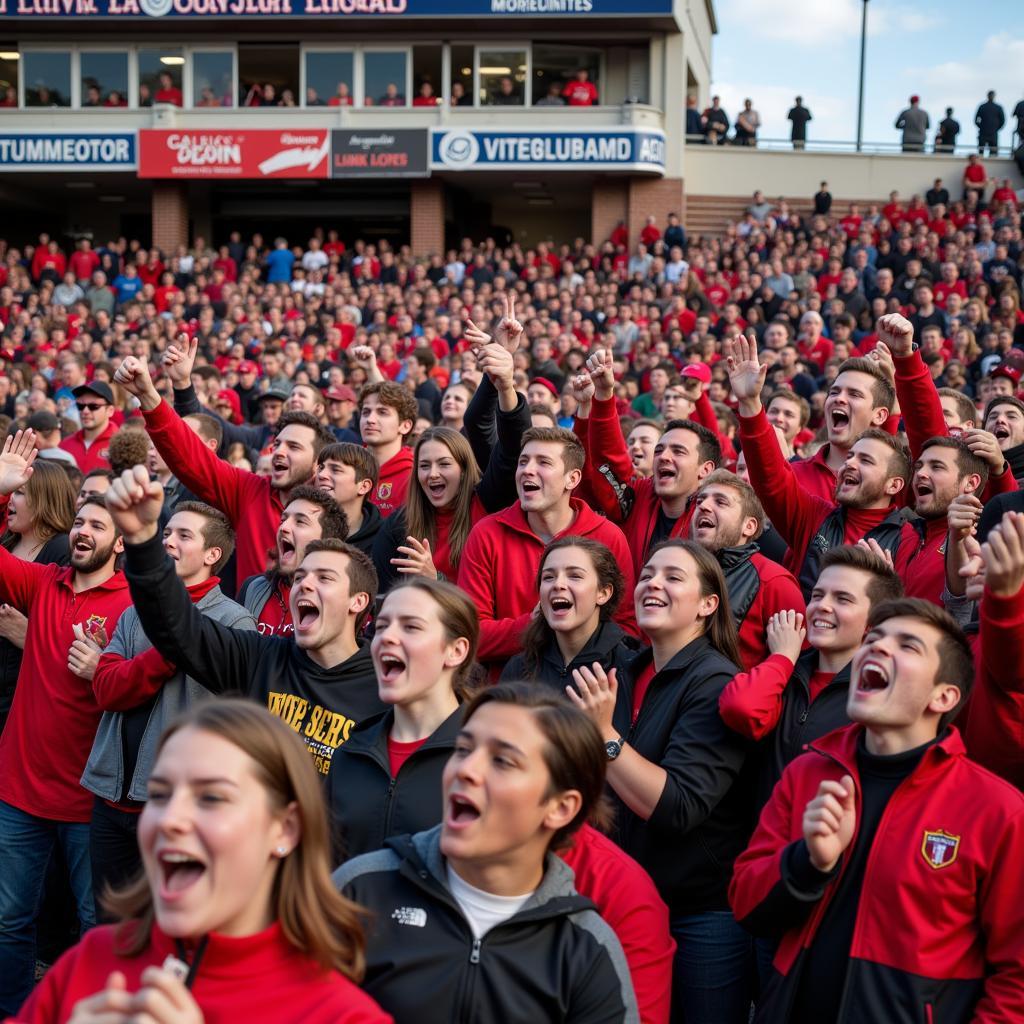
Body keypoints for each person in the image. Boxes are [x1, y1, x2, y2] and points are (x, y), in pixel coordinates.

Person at [729, 599, 1024, 1023]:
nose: (877, 649)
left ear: (944, 696)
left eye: (908, 646)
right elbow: (745, 904)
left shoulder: (997, 811)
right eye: (874, 639)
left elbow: (1016, 981)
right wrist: (808, 864)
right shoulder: (807, 772)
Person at [15, 700, 391, 1023]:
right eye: (159, 795)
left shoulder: (342, 1015)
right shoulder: (90, 960)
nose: (169, 819)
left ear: (285, 829)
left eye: (211, 798)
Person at [333, 683, 639, 1023]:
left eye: (503, 761)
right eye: (463, 749)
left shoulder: (587, 950)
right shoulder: (358, 892)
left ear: (560, 808)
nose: (465, 770)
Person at [569, 540, 751, 1023]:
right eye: (648, 574)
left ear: (708, 605)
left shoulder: (717, 683)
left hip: (698, 915)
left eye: (673, 577)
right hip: (622, 901)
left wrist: (605, 736)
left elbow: (676, 806)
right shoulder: (623, 671)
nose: (653, 583)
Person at [106, 467, 384, 777]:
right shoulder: (259, 657)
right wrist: (143, 541)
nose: (304, 585)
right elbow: (177, 627)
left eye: (324, 578)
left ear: (357, 601)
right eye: (301, 577)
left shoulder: (382, 685)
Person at [0, 432, 133, 1015]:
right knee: (8, 920)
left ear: (122, 541)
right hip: (18, 792)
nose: (83, 532)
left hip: (88, 801)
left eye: (99, 526)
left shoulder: (135, 604)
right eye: (80, 521)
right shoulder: (43, 585)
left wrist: (100, 670)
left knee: (91, 927)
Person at [82, 502, 254, 910]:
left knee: (165, 921)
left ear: (213, 555)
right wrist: (169, 651)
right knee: (106, 921)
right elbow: (106, 688)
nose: (168, 542)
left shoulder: (235, 624)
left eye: (183, 535)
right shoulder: (134, 612)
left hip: (175, 806)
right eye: (166, 534)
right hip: (109, 796)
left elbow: (232, 728)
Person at [726, 334, 919, 599]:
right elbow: (771, 481)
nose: (839, 399)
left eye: (853, 394)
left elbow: (911, 453)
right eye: (834, 392)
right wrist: (750, 404)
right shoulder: (814, 513)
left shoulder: (908, 535)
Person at [114, 351, 333, 582]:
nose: (279, 451)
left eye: (294, 447)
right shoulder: (249, 490)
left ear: (318, 464)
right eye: (277, 444)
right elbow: (191, 456)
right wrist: (148, 396)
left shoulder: (334, 508)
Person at [719, 544, 904, 805]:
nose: (822, 606)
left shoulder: (878, 696)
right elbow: (740, 708)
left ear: (872, 623)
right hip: (758, 838)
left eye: (843, 599)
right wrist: (782, 658)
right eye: (817, 595)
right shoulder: (785, 670)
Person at [456, 427, 636, 670]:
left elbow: (627, 628)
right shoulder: (486, 533)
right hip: (508, 695)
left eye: (543, 462)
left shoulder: (608, 536)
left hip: (589, 689)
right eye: (523, 462)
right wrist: (533, 625)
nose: (527, 470)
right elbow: (468, 633)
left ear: (572, 479)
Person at [327, 578, 476, 861]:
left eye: (411, 627)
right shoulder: (351, 753)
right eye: (381, 626)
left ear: (455, 651)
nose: (387, 638)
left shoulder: (482, 760)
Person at [689, 470, 805, 669]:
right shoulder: (680, 569)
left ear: (749, 526)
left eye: (720, 502)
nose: (704, 506)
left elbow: (796, 667)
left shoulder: (775, 582)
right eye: (700, 501)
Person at [500, 536, 636, 690]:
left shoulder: (631, 665)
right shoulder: (519, 669)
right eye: (549, 577)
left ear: (603, 593)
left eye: (575, 576)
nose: (558, 584)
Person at [0, 459, 74, 733]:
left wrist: (27, 634)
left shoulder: (63, 553)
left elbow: (68, 632)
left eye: (19, 493)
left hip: (26, 694)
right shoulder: (6, 543)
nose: (10, 500)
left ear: (44, 499)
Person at [237, 487, 349, 637]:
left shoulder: (340, 601)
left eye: (300, 522)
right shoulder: (253, 588)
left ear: (326, 541)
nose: (283, 527)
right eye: (283, 520)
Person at [315, 443, 383, 556]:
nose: (321, 475)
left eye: (335, 470)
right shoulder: (303, 526)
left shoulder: (383, 538)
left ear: (364, 486)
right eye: (321, 468)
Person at [59, 380, 118, 474]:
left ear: (110, 411)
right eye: (80, 406)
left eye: (94, 406)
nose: (85, 411)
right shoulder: (65, 445)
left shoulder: (121, 446)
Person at [975, 89, 1005, 155]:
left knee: (993, 152)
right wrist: (982, 127)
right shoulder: (983, 107)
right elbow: (976, 119)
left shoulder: (998, 107)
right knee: (981, 151)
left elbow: (1002, 121)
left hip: (991, 132)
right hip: (985, 132)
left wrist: (996, 128)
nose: (991, 96)